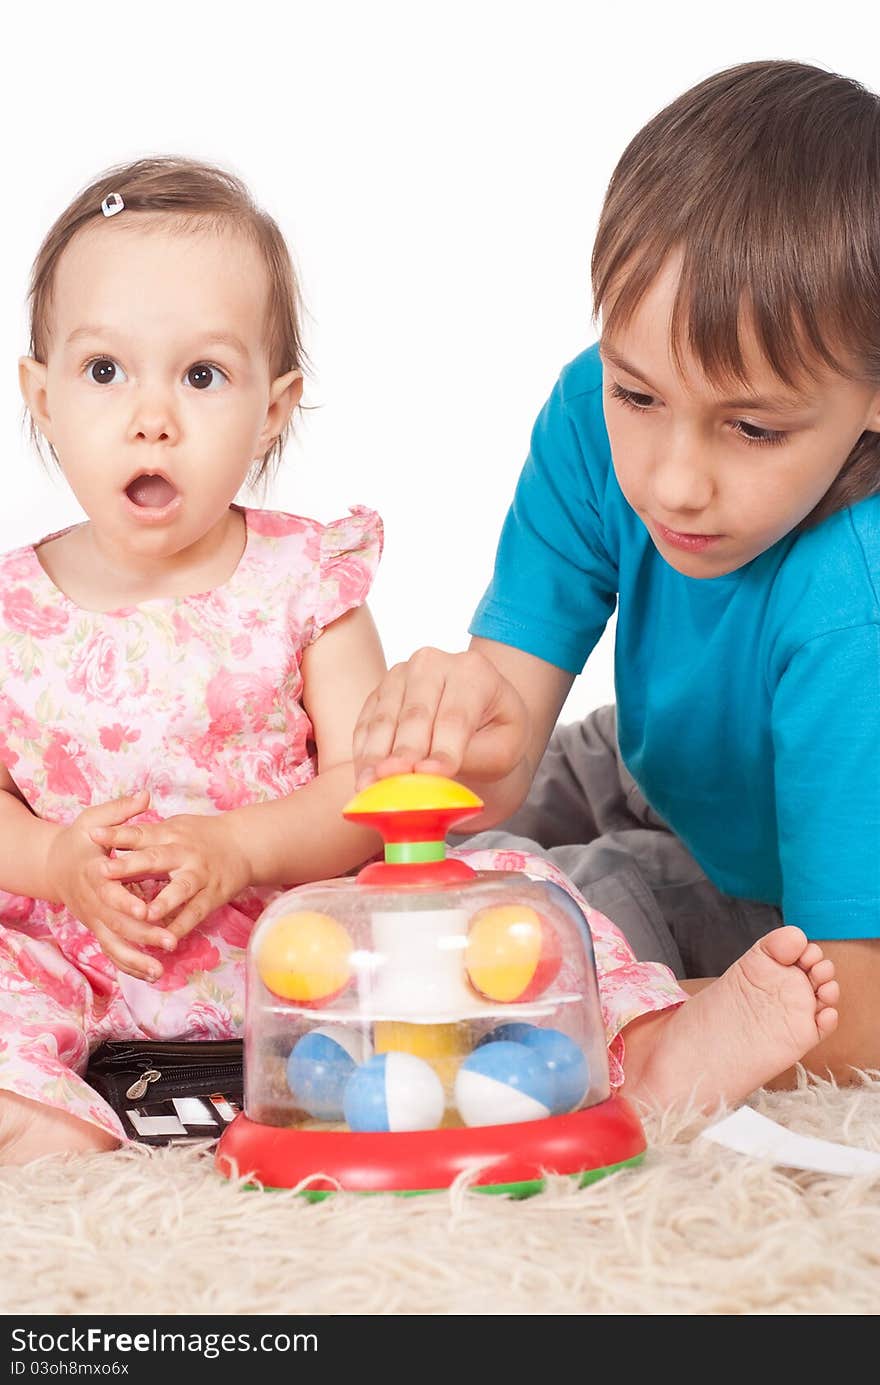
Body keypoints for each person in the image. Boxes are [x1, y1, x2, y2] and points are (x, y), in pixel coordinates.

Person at [0, 155, 837, 1167]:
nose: (152, 415)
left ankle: (652, 1047)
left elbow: (372, 784)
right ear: (39, 395)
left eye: (202, 375)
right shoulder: (12, 607)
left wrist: (241, 848)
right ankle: (48, 1124)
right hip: (75, 947)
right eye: (104, 372)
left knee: (511, 894)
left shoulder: (306, 582)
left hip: (303, 942)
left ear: (273, 407)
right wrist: (53, 862)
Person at [353, 60, 875, 1083]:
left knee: (571, 894)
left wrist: (662, 1005)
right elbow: (504, 739)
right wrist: (457, 720)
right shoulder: (588, 414)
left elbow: (856, 988)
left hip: (791, 882)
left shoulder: (852, 607)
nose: (674, 484)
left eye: (753, 426)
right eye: (639, 394)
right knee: (379, 832)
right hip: (657, 763)